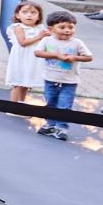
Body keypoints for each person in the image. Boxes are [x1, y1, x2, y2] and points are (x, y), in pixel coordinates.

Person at [35, 10, 91, 141]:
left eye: (71, 27)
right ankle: (50, 124)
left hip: (69, 81)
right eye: (62, 27)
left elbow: (89, 57)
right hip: (50, 79)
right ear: (51, 28)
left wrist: (74, 57)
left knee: (65, 105)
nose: (67, 30)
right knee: (50, 103)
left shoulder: (77, 43)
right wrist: (56, 55)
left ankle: (61, 127)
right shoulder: (47, 41)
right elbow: (38, 53)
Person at [5, 0, 50, 122]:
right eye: (25, 12)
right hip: (21, 57)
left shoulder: (39, 28)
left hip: (32, 58)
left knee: (25, 83)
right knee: (18, 82)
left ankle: (21, 105)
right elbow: (23, 42)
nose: (29, 15)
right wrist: (39, 36)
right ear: (17, 15)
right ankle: (12, 107)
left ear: (39, 16)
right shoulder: (18, 27)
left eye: (33, 12)